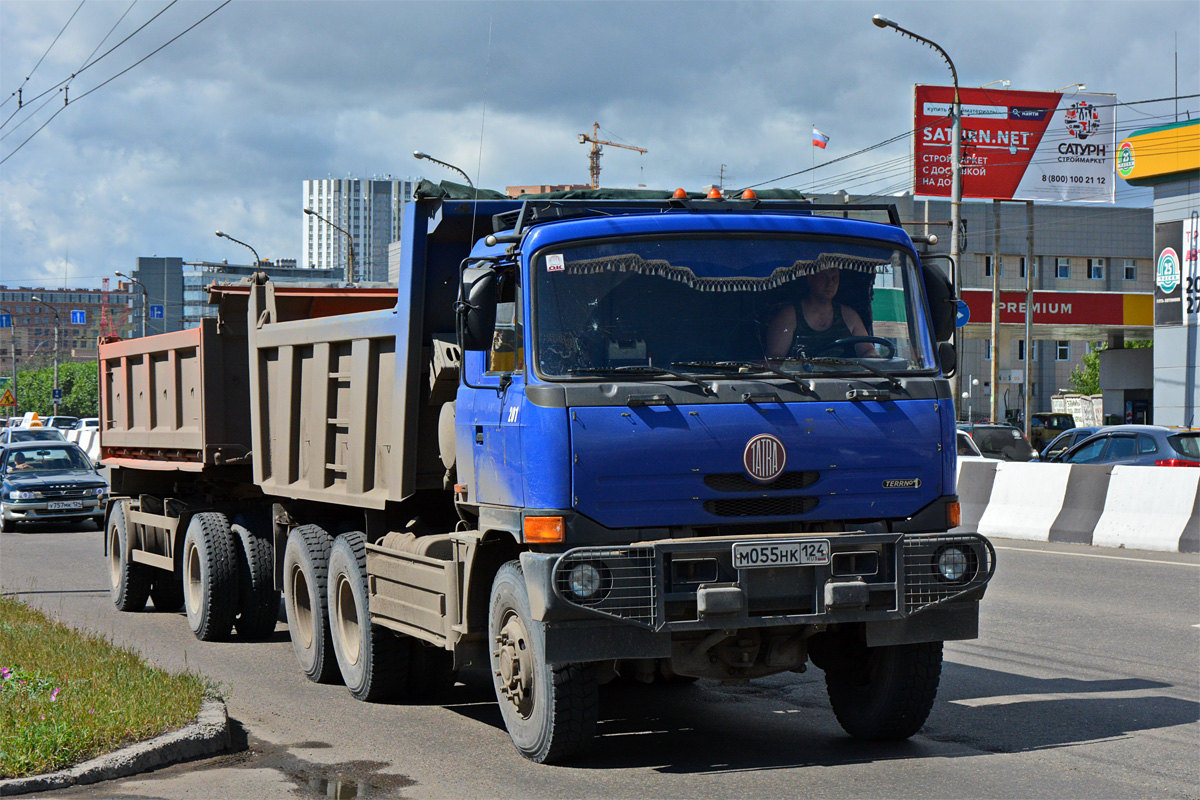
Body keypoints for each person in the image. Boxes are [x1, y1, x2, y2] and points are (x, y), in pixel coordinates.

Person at [765, 267, 879, 359]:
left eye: (834, 278)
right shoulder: (788, 316)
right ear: (810, 279)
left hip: (844, 383)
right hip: (800, 384)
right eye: (824, 277)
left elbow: (867, 350)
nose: (830, 284)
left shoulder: (850, 316)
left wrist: (871, 356)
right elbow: (775, 359)